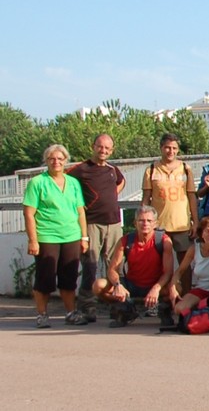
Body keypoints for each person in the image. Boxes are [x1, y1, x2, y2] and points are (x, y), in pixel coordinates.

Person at [24, 144, 89, 328]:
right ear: (46, 161)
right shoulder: (37, 182)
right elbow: (29, 213)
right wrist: (33, 240)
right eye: (52, 158)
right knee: (45, 278)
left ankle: (70, 313)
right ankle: (42, 315)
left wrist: (84, 237)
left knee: (69, 278)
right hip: (47, 236)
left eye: (60, 159)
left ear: (66, 161)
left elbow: (80, 212)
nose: (56, 162)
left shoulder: (73, 183)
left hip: (71, 236)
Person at [68, 133, 126, 323]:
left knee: (115, 266)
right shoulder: (81, 169)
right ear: (93, 146)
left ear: (112, 150)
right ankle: (87, 307)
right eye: (100, 147)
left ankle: (118, 306)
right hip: (92, 223)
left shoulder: (112, 169)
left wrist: (113, 194)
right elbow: (63, 184)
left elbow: (122, 181)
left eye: (107, 148)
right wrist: (79, 204)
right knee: (90, 266)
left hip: (114, 223)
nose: (103, 151)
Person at [92, 206, 175, 328]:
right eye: (141, 220)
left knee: (177, 288)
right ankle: (125, 308)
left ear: (155, 223)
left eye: (149, 221)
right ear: (135, 223)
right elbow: (112, 269)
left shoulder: (163, 241)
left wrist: (156, 288)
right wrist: (118, 285)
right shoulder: (125, 241)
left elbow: (168, 272)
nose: (145, 224)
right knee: (98, 285)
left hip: (155, 284)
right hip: (131, 285)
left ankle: (164, 311)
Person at [142, 133, 198, 260]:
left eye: (174, 148)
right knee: (158, 262)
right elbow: (146, 198)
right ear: (161, 148)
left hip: (182, 225)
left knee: (185, 263)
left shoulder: (186, 169)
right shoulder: (151, 169)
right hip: (159, 226)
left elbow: (191, 197)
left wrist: (195, 222)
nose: (171, 151)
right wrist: (144, 220)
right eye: (167, 147)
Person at [171, 216, 209, 315]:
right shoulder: (194, 249)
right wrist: (173, 287)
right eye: (207, 231)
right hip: (201, 288)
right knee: (179, 309)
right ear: (202, 234)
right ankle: (199, 310)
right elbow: (180, 270)